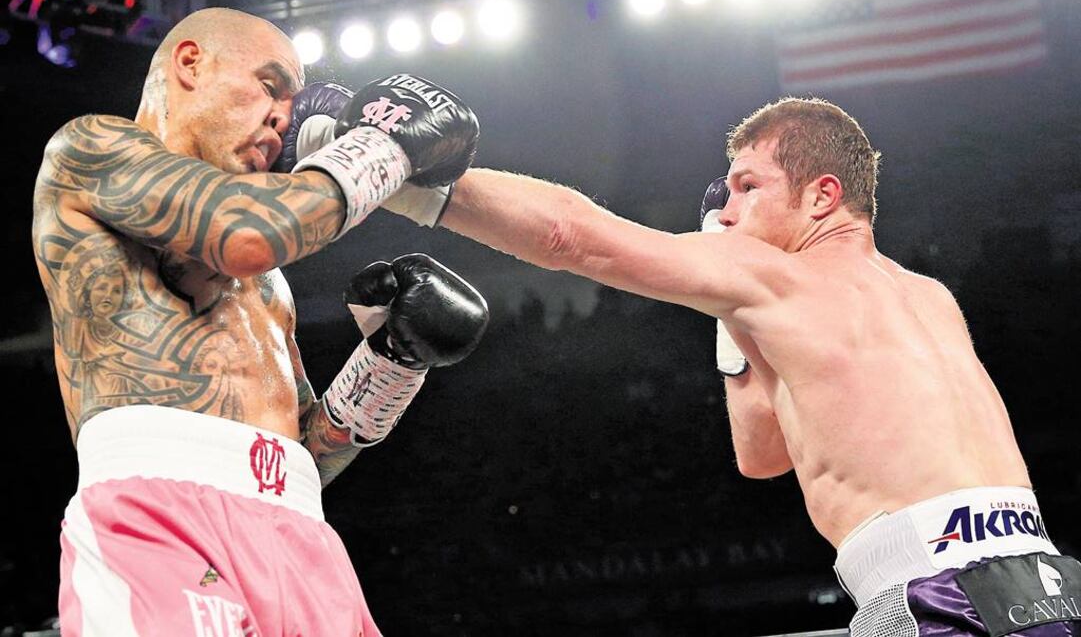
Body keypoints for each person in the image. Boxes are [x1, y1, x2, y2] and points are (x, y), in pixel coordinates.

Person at [354, 94, 1081, 635]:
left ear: (822, 194)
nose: (726, 211)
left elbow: (573, 236)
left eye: (746, 186)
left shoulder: (778, 277)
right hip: (1048, 587)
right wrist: (728, 311)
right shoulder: (926, 296)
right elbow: (761, 453)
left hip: (940, 590)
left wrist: (383, 172)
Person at [32, 7, 489, 636]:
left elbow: (301, 453)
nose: (285, 117)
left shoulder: (267, 279)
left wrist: (389, 366)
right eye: (272, 85)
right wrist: (386, 142)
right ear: (190, 64)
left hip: (299, 532)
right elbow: (247, 231)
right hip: (161, 516)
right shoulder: (91, 149)